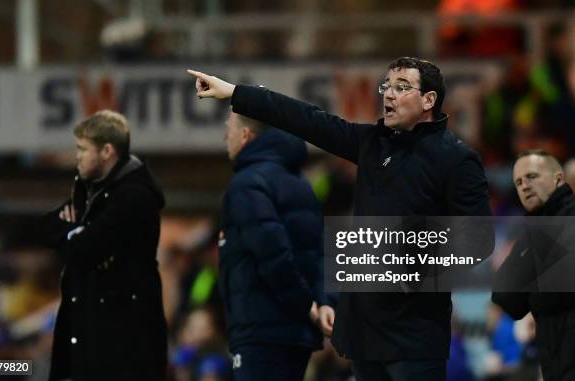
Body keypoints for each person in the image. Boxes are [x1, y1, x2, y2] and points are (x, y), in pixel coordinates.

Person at [187, 56, 491, 381]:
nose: (388, 94)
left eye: (402, 88)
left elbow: (476, 241)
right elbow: (308, 120)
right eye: (386, 85)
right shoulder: (373, 144)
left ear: (429, 99)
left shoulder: (457, 160)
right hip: (365, 333)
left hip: (416, 335)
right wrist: (236, 93)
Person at [40, 110, 168, 380]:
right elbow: (48, 225)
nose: (77, 156)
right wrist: (74, 232)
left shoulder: (135, 197)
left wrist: (74, 234)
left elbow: (83, 249)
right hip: (88, 340)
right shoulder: (90, 191)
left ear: (107, 151)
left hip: (122, 346)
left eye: (83, 149)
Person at [218, 111, 327, 381]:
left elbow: (272, 254)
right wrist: (325, 303)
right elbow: (323, 253)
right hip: (296, 335)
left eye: (229, 127)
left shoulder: (246, 184)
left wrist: (305, 306)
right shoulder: (302, 184)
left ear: (246, 135)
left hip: (262, 332)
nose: (225, 134)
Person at [492, 149, 575, 381]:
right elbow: (505, 297)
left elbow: (557, 292)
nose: (524, 186)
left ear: (558, 178)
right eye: (518, 182)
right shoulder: (536, 231)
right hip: (555, 368)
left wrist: (534, 292)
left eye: (532, 177)